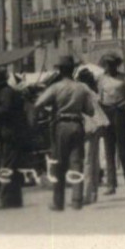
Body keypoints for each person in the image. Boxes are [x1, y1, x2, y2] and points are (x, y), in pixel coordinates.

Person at [33, 55, 99, 211]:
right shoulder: (81, 88)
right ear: (73, 70)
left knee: (59, 164)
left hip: (60, 126)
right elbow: (90, 110)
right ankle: (77, 200)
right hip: (77, 125)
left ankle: (58, 202)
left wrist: (50, 109)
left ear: (60, 70)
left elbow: (38, 104)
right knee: (77, 162)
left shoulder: (55, 88)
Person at [96, 53, 125, 194]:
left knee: (123, 148)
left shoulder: (124, 78)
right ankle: (111, 184)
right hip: (106, 112)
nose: (110, 66)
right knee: (109, 150)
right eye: (107, 63)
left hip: (120, 112)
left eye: (112, 64)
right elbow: (99, 100)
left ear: (116, 64)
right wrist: (100, 119)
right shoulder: (101, 79)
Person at [0, 68, 29, 209]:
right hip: (13, 134)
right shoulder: (9, 92)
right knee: (12, 166)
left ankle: (5, 198)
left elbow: (5, 110)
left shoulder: (5, 93)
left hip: (9, 134)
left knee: (7, 166)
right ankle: (15, 199)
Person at [76, 67, 109, 203]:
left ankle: (86, 194)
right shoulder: (91, 90)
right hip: (98, 125)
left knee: (88, 161)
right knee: (94, 160)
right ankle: (93, 192)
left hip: (88, 126)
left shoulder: (80, 90)